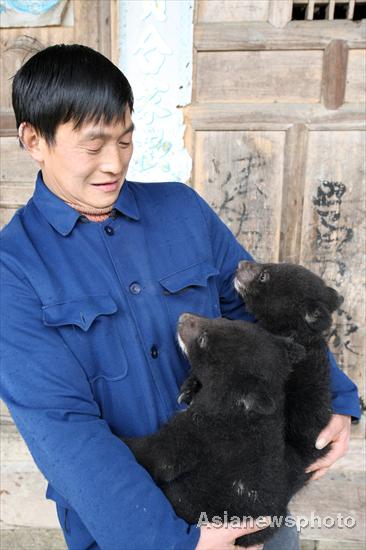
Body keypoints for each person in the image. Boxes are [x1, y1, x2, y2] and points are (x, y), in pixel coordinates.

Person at [0, 44, 360, 550]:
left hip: (248, 500)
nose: (114, 163)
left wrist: (334, 399)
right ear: (34, 140)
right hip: (135, 530)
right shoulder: (13, 269)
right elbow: (63, 430)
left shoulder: (182, 211)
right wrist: (175, 543)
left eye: (125, 140)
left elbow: (265, 315)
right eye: (93, 145)